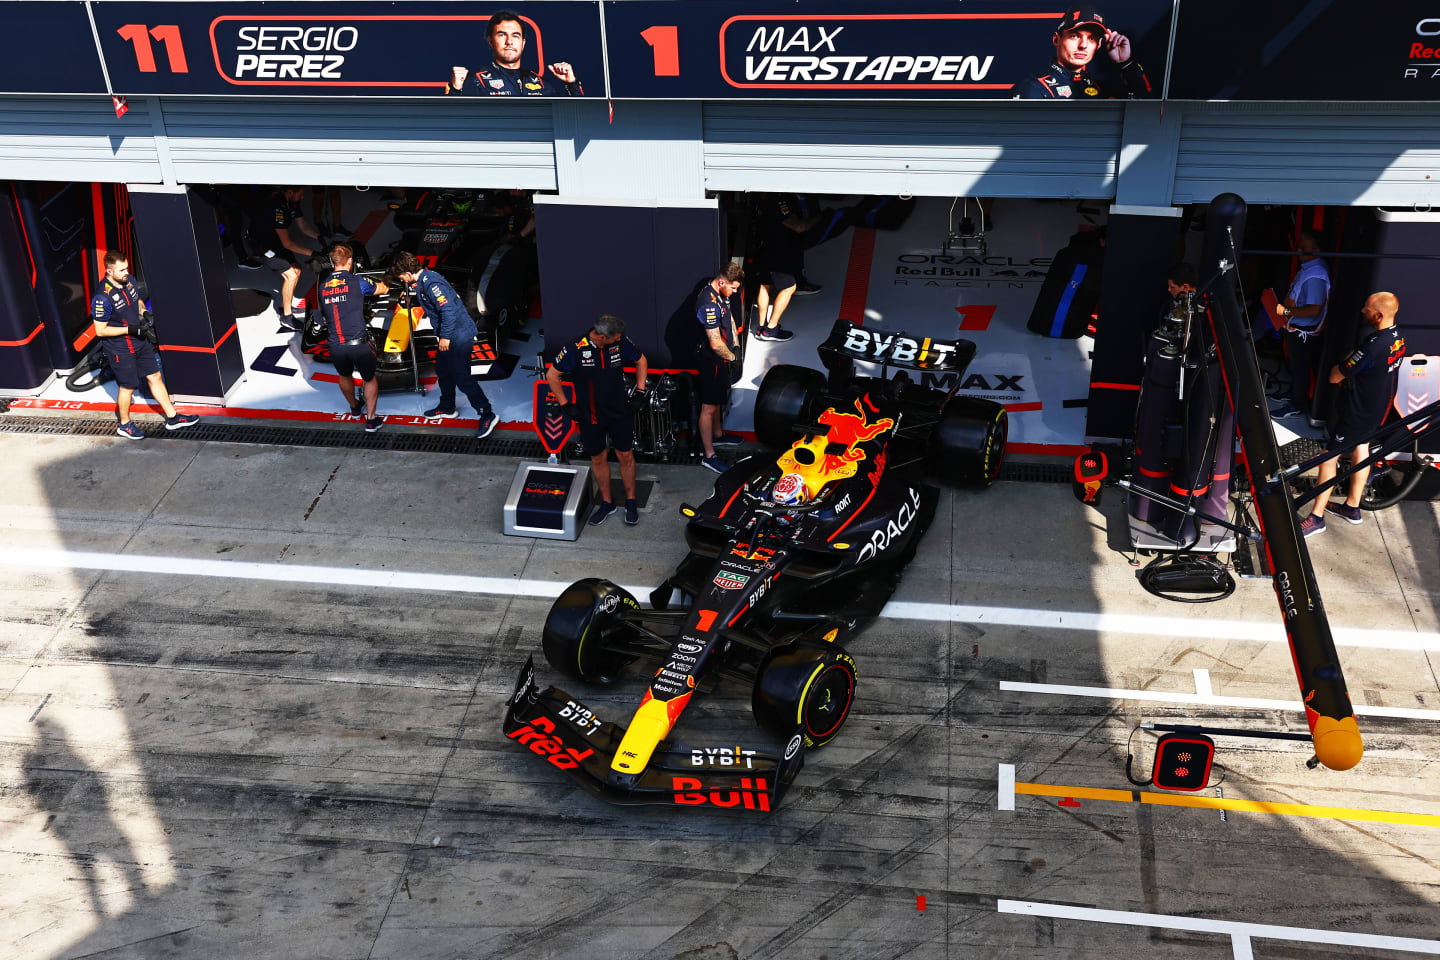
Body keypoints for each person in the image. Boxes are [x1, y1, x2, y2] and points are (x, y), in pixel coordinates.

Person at [1300, 293, 1405, 538]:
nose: (1362, 311)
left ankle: (1316, 517)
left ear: (1378, 315)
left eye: (1367, 309)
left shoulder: (1372, 346)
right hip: (1378, 410)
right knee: (1361, 450)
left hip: (1356, 413)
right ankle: (1352, 507)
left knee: (1327, 458)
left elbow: (1336, 375)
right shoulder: (1399, 337)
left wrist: (1342, 363)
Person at [546, 315, 648, 526]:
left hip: (620, 412)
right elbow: (552, 375)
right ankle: (607, 503)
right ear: (602, 337)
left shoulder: (621, 342)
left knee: (626, 455)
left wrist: (640, 391)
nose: (619, 340)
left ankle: (630, 501)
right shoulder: (575, 348)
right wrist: (566, 405)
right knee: (598, 459)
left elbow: (641, 360)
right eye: (615, 338)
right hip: (590, 416)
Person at [391, 251, 500, 439]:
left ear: (408, 273)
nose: (402, 281)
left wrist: (445, 337)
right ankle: (448, 406)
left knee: (463, 379)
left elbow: (448, 310)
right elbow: (431, 299)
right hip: (451, 336)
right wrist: (414, 300)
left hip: (458, 336)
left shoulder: (431, 282)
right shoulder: (424, 281)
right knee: (443, 371)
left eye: (401, 277)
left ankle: (487, 414)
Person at [90, 252, 199, 440]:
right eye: (121, 270)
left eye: (127, 267)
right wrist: (129, 330)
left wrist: (144, 312)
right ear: (109, 271)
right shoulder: (102, 297)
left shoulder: (129, 280)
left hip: (139, 341)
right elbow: (100, 331)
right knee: (128, 386)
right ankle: (124, 425)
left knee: (155, 376)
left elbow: (137, 300)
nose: (126, 272)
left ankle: (172, 418)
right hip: (120, 349)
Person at [1013, 4, 1152, 100]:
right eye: (1074, 36)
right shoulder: (1034, 88)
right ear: (1057, 40)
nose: (1083, 45)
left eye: (1091, 38)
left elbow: (1146, 108)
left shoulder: (1100, 88)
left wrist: (1125, 63)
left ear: (1098, 45)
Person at [320, 243, 388, 432]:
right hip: (358, 343)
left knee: (344, 375)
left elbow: (326, 315)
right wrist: (386, 282)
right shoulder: (357, 281)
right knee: (369, 378)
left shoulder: (323, 286)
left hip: (335, 344)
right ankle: (372, 420)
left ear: (332, 262)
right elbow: (381, 289)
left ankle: (355, 409)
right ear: (350, 261)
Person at [447, 12, 581, 97]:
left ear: (523, 43)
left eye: (515, 36)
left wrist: (571, 84)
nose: (509, 41)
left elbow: (576, 119)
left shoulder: (540, 82)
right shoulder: (477, 81)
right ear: (490, 41)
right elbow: (453, 122)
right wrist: (455, 89)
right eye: (502, 35)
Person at [1273, 230, 1331, 420]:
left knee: (1300, 370)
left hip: (1303, 333)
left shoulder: (1316, 276)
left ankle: (1297, 405)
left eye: (1303, 247)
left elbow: (1315, 309)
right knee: (1296, 368)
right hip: (1296, 329)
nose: (1298, 249)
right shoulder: (1309, 267)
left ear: (1316, 249)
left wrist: (1287, 312)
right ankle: (1292, 395)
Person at [246, 186, 322, 330]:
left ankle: (284, 306)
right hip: (262, 244)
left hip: (274, 240)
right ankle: (287, 317)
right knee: (291, 275)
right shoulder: (276, 206)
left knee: (297, 269)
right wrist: (313, 253)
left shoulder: (292, 201)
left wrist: (319, 237)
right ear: (290, 192)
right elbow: (288, 244)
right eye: (301, 194)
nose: (303, 197)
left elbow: (303, 224)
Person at [697, 263, 746, 473]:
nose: (735, 292)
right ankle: (709, 455)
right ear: (722, 282)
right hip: (711, 361)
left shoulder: (721, 294)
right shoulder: (708, 303)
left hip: (721, 360)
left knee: (717, 402)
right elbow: (715, 343)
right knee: (708, 408)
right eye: (733, 288)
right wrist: (732, 357)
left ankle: (718, 436)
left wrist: (735, 344)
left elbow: (729, 319)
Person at [753, 195, 803, 343]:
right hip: (776, 254)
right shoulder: (779, 201)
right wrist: (815, 220)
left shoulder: (761, 201)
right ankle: (771, 329)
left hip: (763, 250)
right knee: (790, 287)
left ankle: (761, 328)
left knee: (765, 286)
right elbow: (798, 227)